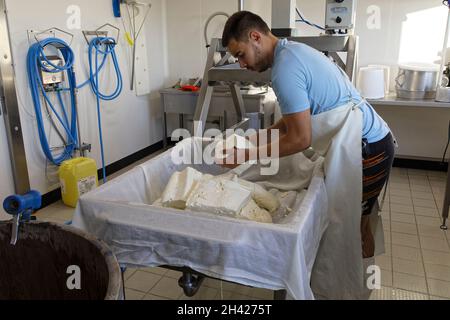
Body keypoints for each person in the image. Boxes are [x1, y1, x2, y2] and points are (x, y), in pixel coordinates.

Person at [217, 11, 395, 258]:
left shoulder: (284, 70)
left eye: (240, 55)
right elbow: (295, 117)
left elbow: (300, 139)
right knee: (356, 222)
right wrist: (260, 137)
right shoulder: (292, 52)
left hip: (367, 149)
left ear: (255, 37)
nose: (242, 64)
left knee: (354, 226)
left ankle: (353, 288)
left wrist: (247, 155)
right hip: (372, 141)